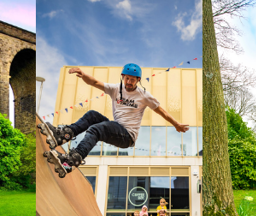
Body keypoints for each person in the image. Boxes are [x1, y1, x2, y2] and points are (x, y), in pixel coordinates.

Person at [40, 64, 189, 173]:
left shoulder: (144, 96)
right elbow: (95, 82)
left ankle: (73, 159)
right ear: (123, 77)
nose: (129, 83)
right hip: (116, 127)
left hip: (127, 136)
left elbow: (161, 111)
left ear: (138, 80)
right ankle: (64, 135)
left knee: (97, 129)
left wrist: (176, 124)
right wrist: (83, 74)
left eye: (133, 80)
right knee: (92, 115)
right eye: (127, 79)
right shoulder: (115, 89)